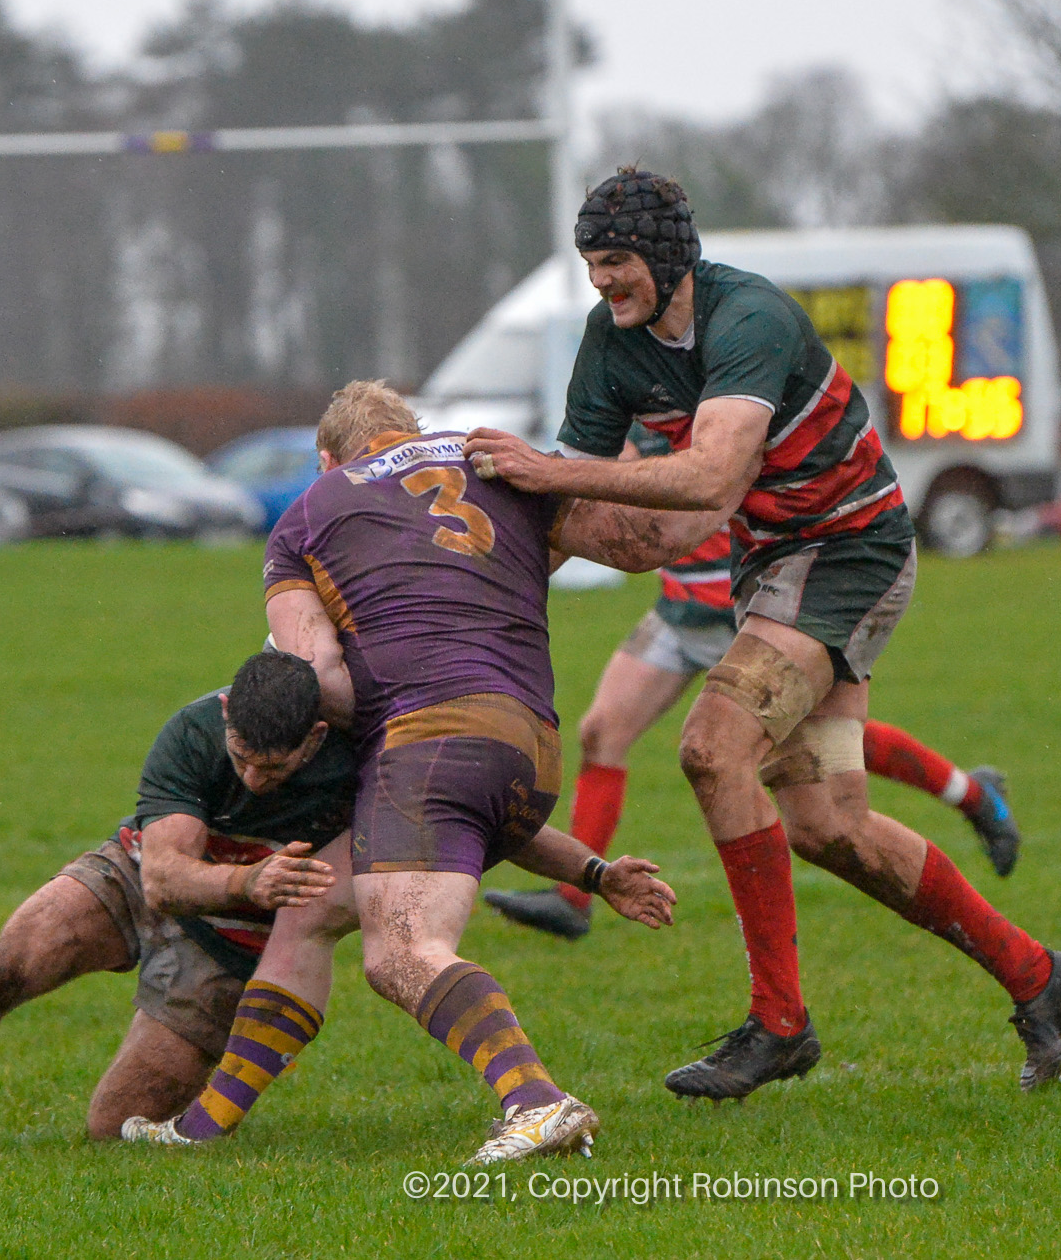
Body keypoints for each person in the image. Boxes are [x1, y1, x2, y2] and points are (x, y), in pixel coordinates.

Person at [464, 167, 1061, 1098]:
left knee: (712, 747)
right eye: (592, 264)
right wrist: (474, 591)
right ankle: (1039, 974)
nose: (603, 281)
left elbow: (710, 478)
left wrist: (549, 474)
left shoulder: (748, 318)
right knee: (833, 828)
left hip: (851, 553)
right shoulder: (610, 340)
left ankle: (780, 1023)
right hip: (774, 565)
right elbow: (576, 504)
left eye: (618, 261)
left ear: (669, 255)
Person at [125, 381, 693, 1163]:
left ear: (327, 458)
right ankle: (199, 1129)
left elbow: (320, 673)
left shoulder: (310, 511)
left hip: (429, 735)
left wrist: (342, 709)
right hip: (530, 739)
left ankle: (536, 1100)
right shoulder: (494, 462)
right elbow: (638, 542)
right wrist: (595, 872)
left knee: (400, 950)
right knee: (310, 910)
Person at [0, 651, 362, 1152]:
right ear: (225, 715)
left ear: (314, 738)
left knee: (116, 1128)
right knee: (7, 966)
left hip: (230, 944)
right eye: (241, 757)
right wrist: (247, 882)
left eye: (274, 768)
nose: (254, 779)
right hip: (139, 873)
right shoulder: (194, 731)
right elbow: (163, 880)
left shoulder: (363, 764)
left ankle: (206, 1095)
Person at [485, 434, 1020, 942]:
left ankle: (976, 795)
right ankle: (573, 899)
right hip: (680, 610)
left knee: (824, 748)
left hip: (746, 612)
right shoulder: (632, 398)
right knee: (602, 731)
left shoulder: (720, 404)